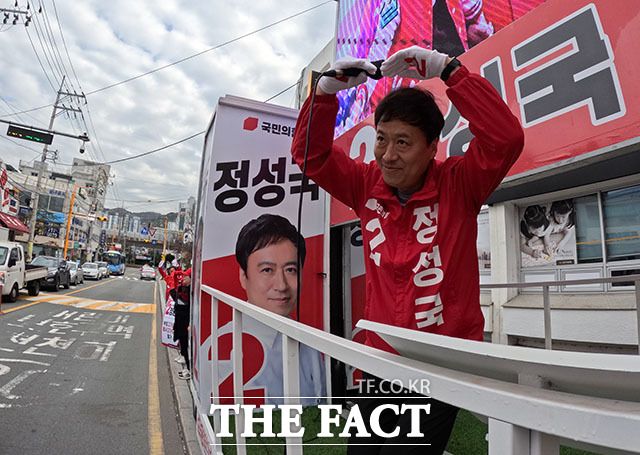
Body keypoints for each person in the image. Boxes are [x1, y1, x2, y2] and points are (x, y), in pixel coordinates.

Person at [291, 46, 524, 453]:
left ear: (433, 147)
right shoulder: (365, 184)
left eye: (403, 142)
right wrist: (324, 94)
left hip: (442, 362)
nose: (388, 155)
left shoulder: (460, 183)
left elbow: (506, 139)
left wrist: (449, 71)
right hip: (381, 356)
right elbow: (311, 156)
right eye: (382, 139)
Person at [222, 213, 325, 405]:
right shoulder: (223, 347)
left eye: (290, 270)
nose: (281, 285)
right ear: (244, 277)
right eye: (267, 270)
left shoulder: (309, 344)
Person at [170, 269, 192, 380]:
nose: (182, 279)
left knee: (186, 344)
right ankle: (186, 369)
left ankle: (188, 370)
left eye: (185, 277)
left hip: (185, 320)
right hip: (181, 319)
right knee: (183, 344)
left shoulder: (190, 290)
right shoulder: (184, 288)